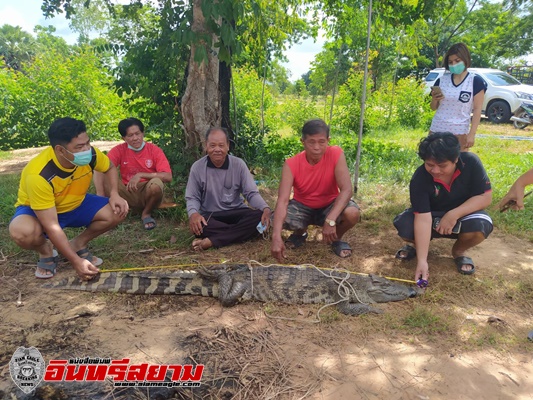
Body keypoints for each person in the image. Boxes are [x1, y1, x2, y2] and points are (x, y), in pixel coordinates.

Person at [8, 117, 129, 280]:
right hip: (40, 210)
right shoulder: (38, 175)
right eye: (79, 147)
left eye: (87, 143)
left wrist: (115, 194)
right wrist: (76, 261)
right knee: (22, 232)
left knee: (117, 211)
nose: (87, 149)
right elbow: (51, 224)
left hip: (77, 203)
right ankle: (46, 251)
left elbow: (109, 168)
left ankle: (77, 243)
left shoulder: (91, 154)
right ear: (60, 150)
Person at [393, 132, 493, 282]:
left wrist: (454, 214)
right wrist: (422, 261)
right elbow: (423, 218)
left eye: (442, 165)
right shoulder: (419, 178)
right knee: (405, 225)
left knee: (481, 225)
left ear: (456, 159)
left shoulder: (471, 163)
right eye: (430, 165)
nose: (435, 171)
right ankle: (417, 248)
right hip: (431, 216)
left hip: (463, 216)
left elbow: (485, 197)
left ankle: (459, 251)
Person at [271, 119, 361, 262]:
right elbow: (282, 201)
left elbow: (346, 189)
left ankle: (335, 238)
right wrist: (275, 237)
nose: (317, 147)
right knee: (278, 218)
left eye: (321, 142)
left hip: (329, 204)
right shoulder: (291, 164)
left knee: (352, 213)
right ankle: (300, 233)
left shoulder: (336, 154)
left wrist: (331, 220)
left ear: (328, 140)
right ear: (303, 142)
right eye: (311, 142)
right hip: (302, 206)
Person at [185, 127, 271, 251]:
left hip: (236, 211)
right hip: (211, 215)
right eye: (213, 145)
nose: (217, 149)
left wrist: (265, 208)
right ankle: (242, 232)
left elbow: (251, 193)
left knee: (258, 216)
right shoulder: (197, 167)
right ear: (206, 146)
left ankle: (212, 240)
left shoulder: (239, 164)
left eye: (221, 145)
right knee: (201, 227)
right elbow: (193, 197)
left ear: (228, 146)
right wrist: (193, 214)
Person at [94, 117, 172, 230]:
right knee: (102, 168)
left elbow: (168, 176)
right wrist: (100, 194)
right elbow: (99, 167)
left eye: (137, 133)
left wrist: (141, 175)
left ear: (143, 133)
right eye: (130, 135)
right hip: (126, 191)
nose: (135, 138)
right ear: (123, 138)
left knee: (156, 183)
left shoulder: (154, 150)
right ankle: (111, 208)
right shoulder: (119, 150)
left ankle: (146, 213)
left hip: (146, 191)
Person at [429, 43, 486, 152]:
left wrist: (472, 134)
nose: (454, 64)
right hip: (437, 129)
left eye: (457, 61)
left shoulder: (475, 81)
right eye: (450, 62)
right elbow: (433, 107)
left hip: (459, 132)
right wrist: (434, 99)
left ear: (466, 60)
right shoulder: (441, 80)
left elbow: (478, 109)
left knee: (458, 166)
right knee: (435, 164)